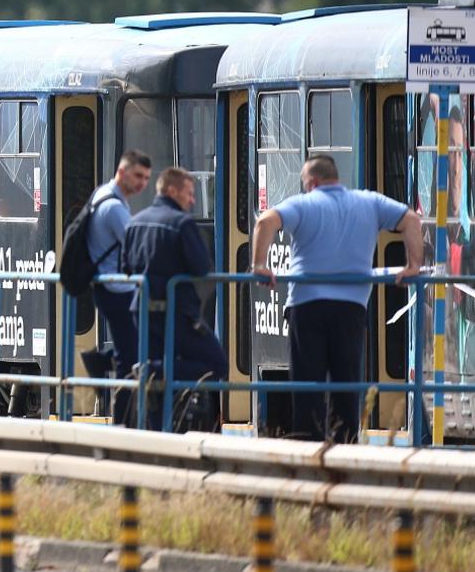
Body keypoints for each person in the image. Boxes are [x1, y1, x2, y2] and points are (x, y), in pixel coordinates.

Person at [252, 153, 423, 443]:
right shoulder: (368, 201)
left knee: (308, 385)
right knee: (347, 385)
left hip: (306, 306)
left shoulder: (303, 204)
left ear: (313, 182)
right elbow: (411, 220)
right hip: (351, 309)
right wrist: (413, 265)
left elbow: (265, 222)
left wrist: (259, 265)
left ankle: (309, 446)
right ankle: (345, 446)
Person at [120, 167, 228, 429]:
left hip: (142, 311)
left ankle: (159, 435)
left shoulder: (135, 221)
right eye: (189, 193)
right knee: (216, 364)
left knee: (157, 389)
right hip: (177, 312)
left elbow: (124, 267)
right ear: (172, 191)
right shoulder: (182, 223)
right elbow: (202, 268)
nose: (193, 200)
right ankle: (154, 370)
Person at [89, 151, 153, 382]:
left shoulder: (103, 195)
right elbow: (136, 246)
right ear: (122, 172)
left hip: (111, 287)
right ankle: (123, 416)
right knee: (131, 356)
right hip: (117, 289)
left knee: (131, 350)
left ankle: (101, 361)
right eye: (138, 176)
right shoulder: (114, 207)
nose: (142, 184)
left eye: (146, 178)